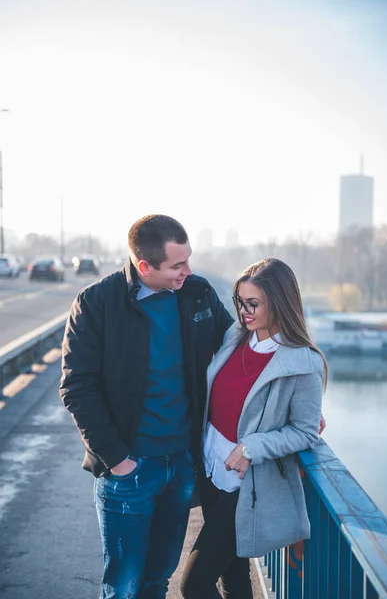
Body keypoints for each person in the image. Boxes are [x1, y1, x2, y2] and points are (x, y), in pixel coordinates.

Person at [59, 214, 233, 599]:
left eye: (188, 259)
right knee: (123, 586)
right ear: (144, 267)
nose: (187, 270)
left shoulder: (197, 293)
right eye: (177, 264)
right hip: (128, 470)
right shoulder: (96, 303)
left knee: (158, 580)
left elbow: (238, 351)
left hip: (181, 465)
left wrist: (294, 406)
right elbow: (76, 387)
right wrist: (118, 460)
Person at [181, 258, 328, 599]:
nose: (244, 312)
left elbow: (305, 432)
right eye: (240, 302)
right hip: (213, 471)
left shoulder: (302, 364)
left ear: (279, 303)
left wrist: (251, 447)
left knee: (194, 584)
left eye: (253, 304)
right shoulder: (235, 337)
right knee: (234, 575)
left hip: (248, 486)